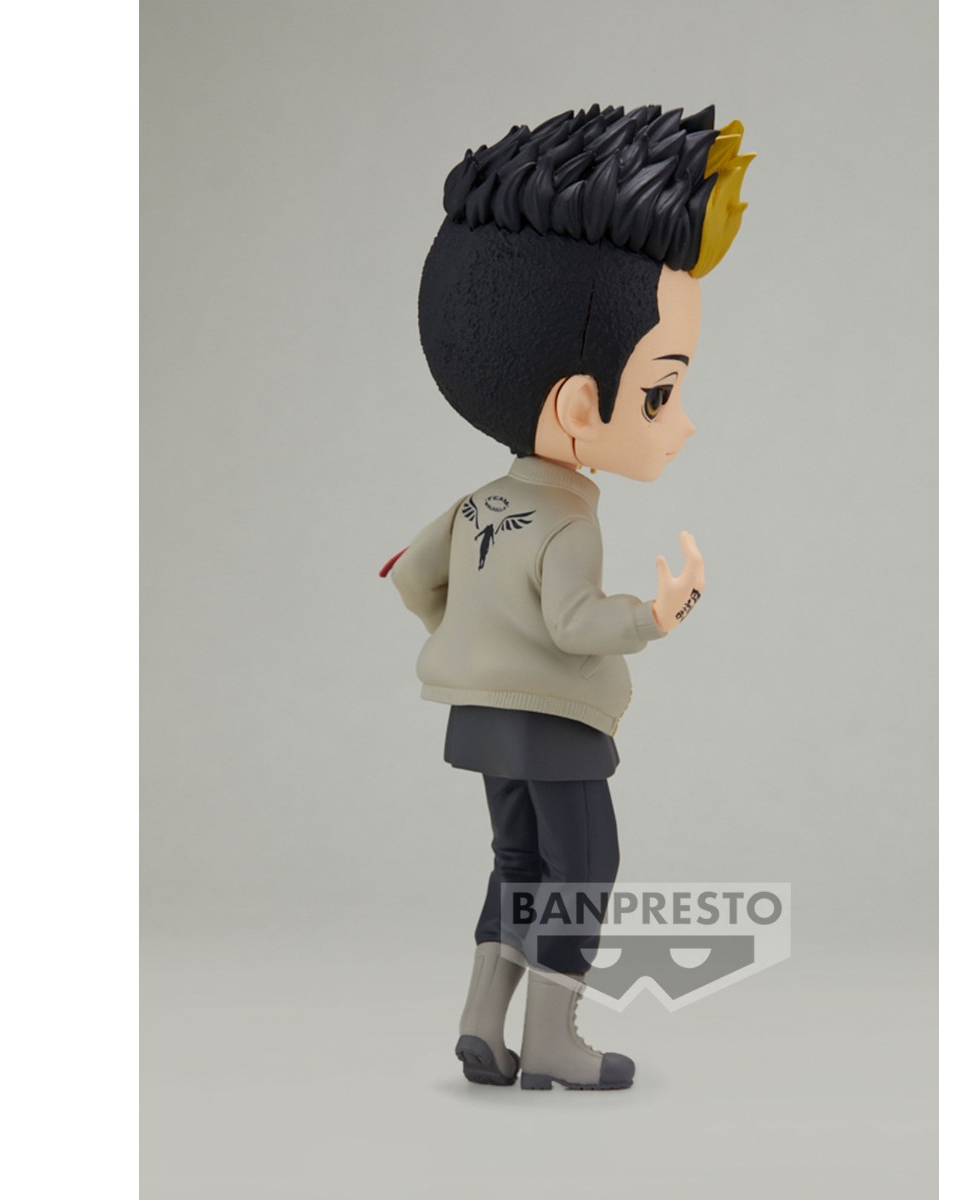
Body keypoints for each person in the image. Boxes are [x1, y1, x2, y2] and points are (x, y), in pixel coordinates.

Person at [387, 103, 752, 1091]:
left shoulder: (479, 502)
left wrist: (473, 642)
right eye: (661, 393)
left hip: (477, 719)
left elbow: (413, 577)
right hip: (553, 723)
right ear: (580, 406)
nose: (681, 422)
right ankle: (552, 1039)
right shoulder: (567, 520)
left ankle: (481, 1024)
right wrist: (657, 615)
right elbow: (572, 624)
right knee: (583, 868)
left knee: (516, 863)